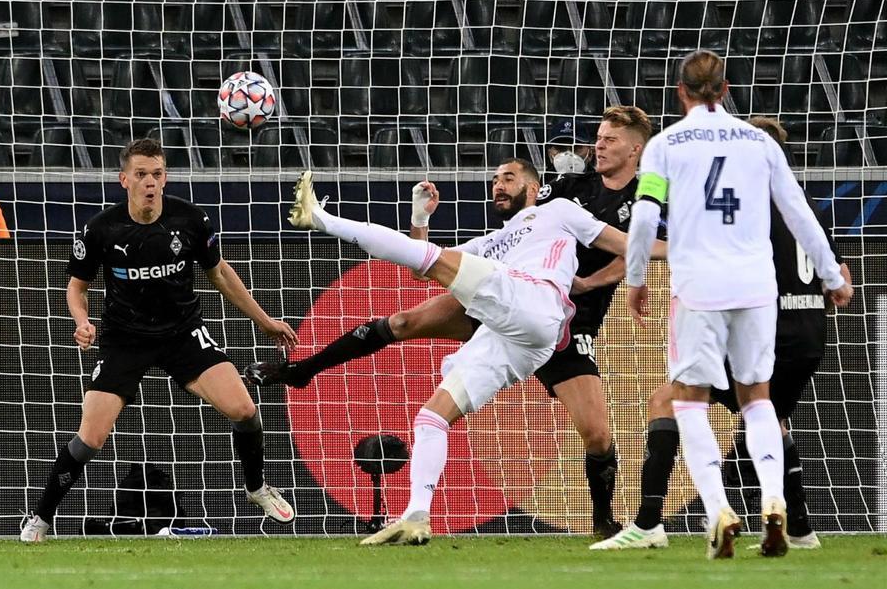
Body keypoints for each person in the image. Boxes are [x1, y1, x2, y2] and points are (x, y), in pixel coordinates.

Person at [247, 106, 656, 537]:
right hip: (508, 314)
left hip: (557, 315)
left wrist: (591, 282)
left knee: (596, 434)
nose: (598, 145)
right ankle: (413, 512)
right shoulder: (537, 212)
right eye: (495, 180)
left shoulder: (579, 208)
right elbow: (424, 265)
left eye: (508, 179)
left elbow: (636, 247)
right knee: (416, 360)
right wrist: (420, 220)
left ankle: (604, 521)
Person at [624, 51, 852, 559]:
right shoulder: (759, 143)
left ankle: (717, 511)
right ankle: (774, 499)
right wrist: (833, 276)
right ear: (725, 89)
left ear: (681, 92)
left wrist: (636, 278)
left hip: (698, 287)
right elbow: (797, 211)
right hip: (755, 288)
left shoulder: (664, 145)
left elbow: (643, 220)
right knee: (758, 400)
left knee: (689, 399)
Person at [19, 138, 299, 542]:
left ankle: (256, 487)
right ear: (124, 179)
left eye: (157, 174)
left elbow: (219, 274)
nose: (150, 182)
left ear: (164, 178)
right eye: (141, 175)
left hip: (182, 333)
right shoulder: (101, 228)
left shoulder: (191, 220)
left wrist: (264, 320)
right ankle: (41, 517)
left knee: (244, 409)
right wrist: (81, 321)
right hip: (124, 338)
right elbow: (76, 286)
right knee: (91, 436)